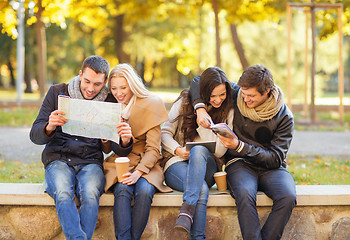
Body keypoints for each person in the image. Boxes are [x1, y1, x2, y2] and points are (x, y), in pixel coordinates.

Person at [30, 55, 134, 240]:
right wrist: (49, 126)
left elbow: (118, 149)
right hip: (58, 159)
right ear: (80, 74)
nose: (90, 88)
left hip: (90, 161)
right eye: (86, 81)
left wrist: (125, 140)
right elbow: (35, 136)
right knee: (63, 193)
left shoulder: (110, 102)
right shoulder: (57, 92)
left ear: (104, 82)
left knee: (90, 194)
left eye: (97, 84)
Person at [190, 65, 297, 240]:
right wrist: (200, 109)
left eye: (251, 96)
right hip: (239, 164)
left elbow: (276, 158)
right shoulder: (237, 93)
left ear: (267, 92)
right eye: (244, 94)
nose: (245, 98)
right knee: (245, 193)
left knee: (288, 196)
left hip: (271, 167)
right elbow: (198, 80)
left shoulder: (284, 116)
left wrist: (239, 145)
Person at [161, 67, 233, 239]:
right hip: (176, 164)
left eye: (222, 94)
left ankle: (186, 211)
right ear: (202, 92)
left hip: (207, 166)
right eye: (212, 95)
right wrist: (177, 150)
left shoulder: (228, 110)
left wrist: (203, 123)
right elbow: (164, 134)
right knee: (200, 189)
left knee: (199, 150)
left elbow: (221, 149)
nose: (217, 100)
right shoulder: (184, 102)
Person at [103, 63, 172, 240]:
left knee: (144, 191)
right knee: (122, 190)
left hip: (147, 162)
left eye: (123, 87)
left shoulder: (151, 104)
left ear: (132, 85)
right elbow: (106, 148)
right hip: (121, 161)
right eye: (114, 88)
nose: (118, 93)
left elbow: (154, 149)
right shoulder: (110, 107)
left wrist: (139, 173)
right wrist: (105, 133)